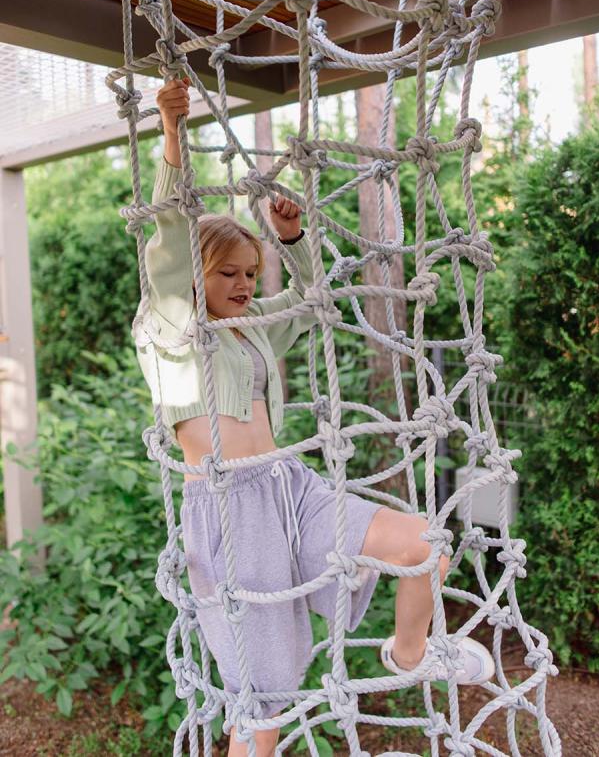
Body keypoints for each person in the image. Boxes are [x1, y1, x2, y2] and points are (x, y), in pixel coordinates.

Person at [135, 78, 496, 756]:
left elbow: (312, 297)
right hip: (230, 513)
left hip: (288, 488)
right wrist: (173, 133)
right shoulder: (171, 327)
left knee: (425, 544)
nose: (244, 285)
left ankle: (411, 653)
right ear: (195, 274)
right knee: (263, 702)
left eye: (250, 272)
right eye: (228, 273)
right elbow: (171, 233)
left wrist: (293, 237)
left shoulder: (251, 327)